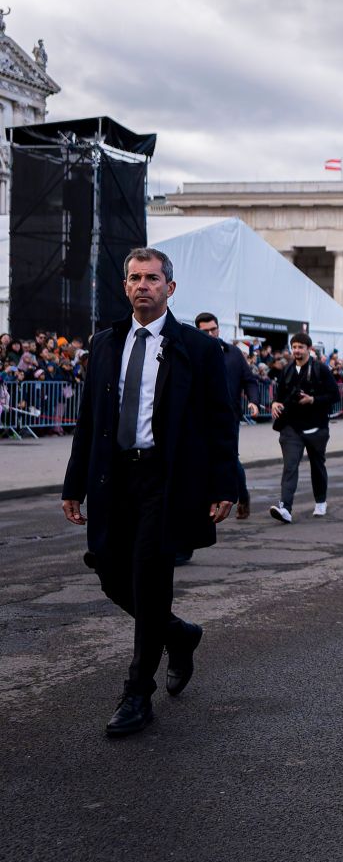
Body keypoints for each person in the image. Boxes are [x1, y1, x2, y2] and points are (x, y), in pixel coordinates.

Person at [61, 248, 237, 736]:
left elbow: (221, 421)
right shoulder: (104, 344)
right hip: (113, 478)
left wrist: (226, 481)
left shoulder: (197, 349)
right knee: (111, 575)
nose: (143, 285)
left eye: (153, 279)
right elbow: (90, 420)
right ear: (125, 287)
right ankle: (179, 634)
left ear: (170, 288)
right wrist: (74, 483)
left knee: (150, 577)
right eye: (135, 278)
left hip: (167, 478)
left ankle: (138, 692)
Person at [268, 332, 339, 522]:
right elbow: (280, 394)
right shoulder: (287, 369)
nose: (297, 351)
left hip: (316, 427)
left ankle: (321, 501)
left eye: (301, 347)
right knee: (290, 466)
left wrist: (313, 399)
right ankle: (285, 508)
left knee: (317, 465)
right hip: (291, 427)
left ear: (309, 349)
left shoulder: (321, 369)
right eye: (294, 347)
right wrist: (275, 403)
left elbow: (335, 395)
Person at [195, 312, 253, 520]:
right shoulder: (193, 352)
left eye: (213, 329)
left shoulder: (233, 353)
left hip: (228, 418)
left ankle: (241, 496)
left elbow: (249, 380)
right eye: (205, 331)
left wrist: (253, 401)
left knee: (229, 458)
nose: (211, 334)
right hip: (199, 418)